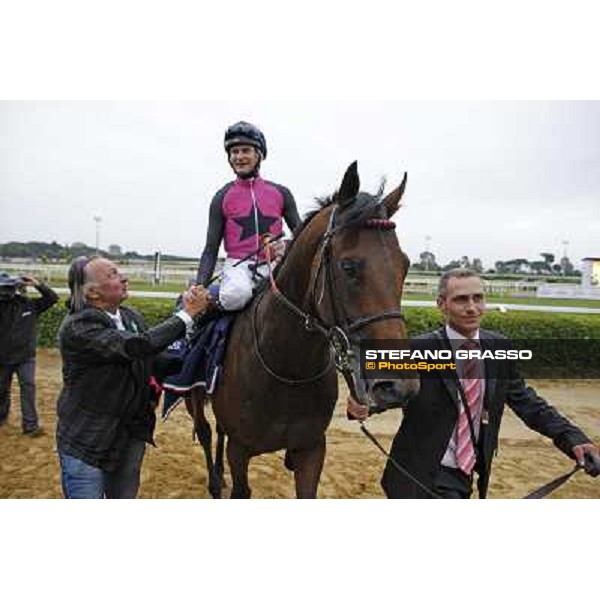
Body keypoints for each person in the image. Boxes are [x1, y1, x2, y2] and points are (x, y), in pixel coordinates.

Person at [350, 268, 600, 499]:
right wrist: (365, 404)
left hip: (466, 476)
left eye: (478, 298)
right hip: (416, 477)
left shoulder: (498, 347)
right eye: (461, 299)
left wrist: (573, 439)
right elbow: (383, 388)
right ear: (441, 305)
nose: (472, 307)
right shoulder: (418, 349)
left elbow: (528, 403)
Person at [56, 256, 209, 499]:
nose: (124, 277)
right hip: (88, 442)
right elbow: (137, 346)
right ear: (94, 294)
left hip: (130, 437)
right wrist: (186, 314)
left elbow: (153, 358)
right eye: (113, 275)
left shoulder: (130, 318)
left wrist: (194, 349)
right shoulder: (78, 328)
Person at [196, 121, 302, 310]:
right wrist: (199, 286)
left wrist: (285, 246)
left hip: (274, 263)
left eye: (246, 150)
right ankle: (211, 306)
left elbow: (302, 236)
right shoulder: (222, 197)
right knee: (236, 296)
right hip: (238, 265)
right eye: (234, 152)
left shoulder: (281, 193)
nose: (239, 157)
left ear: (259, 155)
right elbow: (211, 249)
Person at [0, 272, 58, 435]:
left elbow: (52, 298)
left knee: (28, 387)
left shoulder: (30, 305)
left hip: (26, 357)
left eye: (10, 287)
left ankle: (30, 426)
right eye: (4, 287)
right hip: (2, 357)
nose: (7, 291)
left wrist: (37, 284)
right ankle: (1, 418)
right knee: (1, 389)